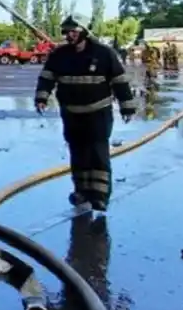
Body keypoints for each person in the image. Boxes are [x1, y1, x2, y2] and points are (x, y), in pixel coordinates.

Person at [35, 14, 136, 211]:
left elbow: (119, 81)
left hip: (98, 113)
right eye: (66, 32)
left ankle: (100, 196)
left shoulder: (104, 53)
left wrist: (127, 106)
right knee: (78, 153)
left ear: (84, 32)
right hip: (71, 114)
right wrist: (41, 98)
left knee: (97, 152)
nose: (69, 35)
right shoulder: (59, 55)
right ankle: (81, 191)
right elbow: (47, 77)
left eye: (73, 31)